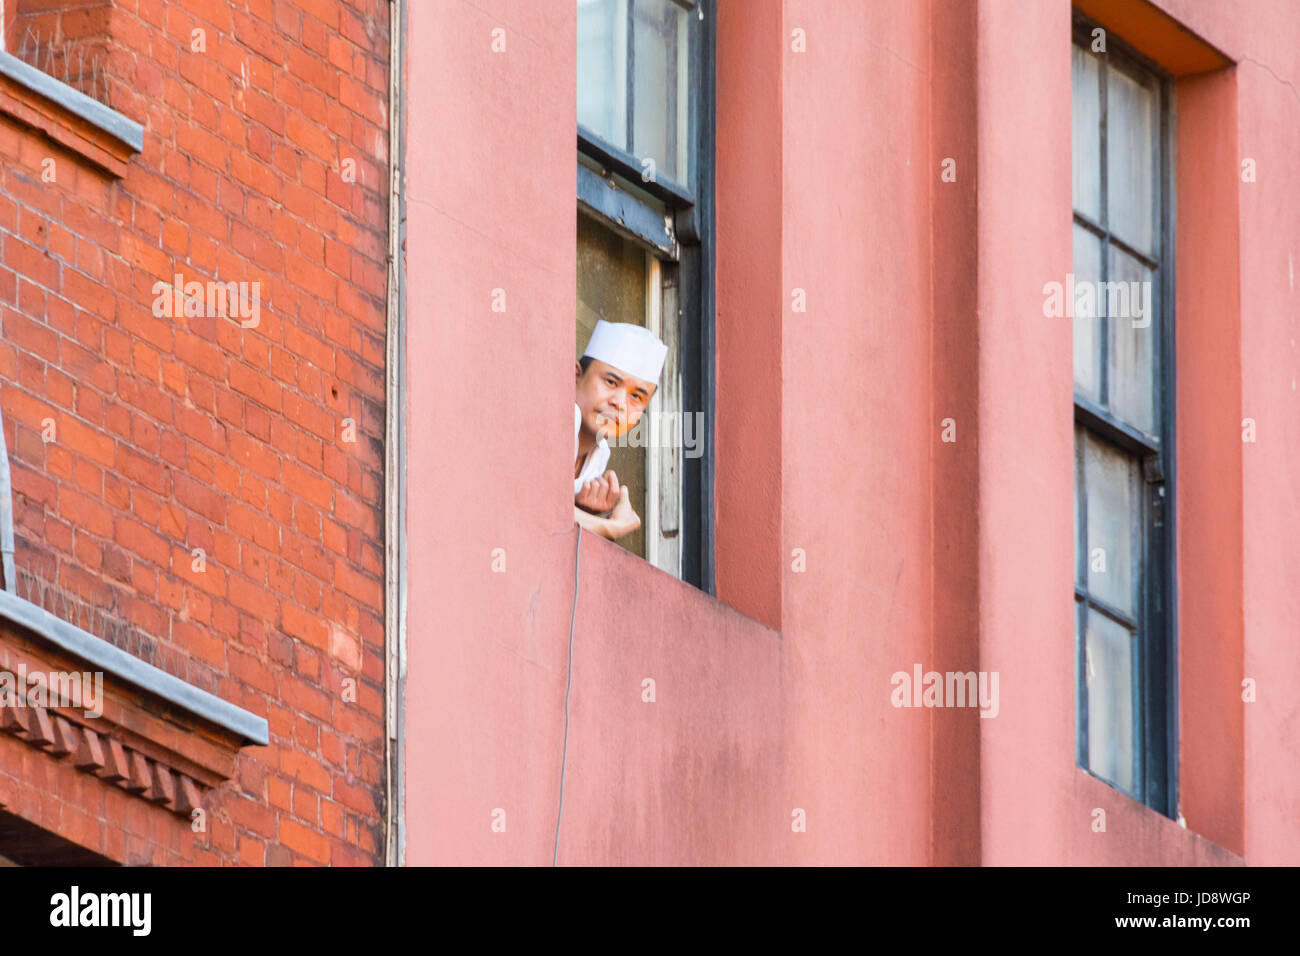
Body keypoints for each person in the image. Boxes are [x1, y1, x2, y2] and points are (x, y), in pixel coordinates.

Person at [573, 320, 667, 541]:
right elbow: (539, 505)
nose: (620, 403)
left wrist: (584, 510)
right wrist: (610, 527)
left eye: (636, 397)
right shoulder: (560, 420)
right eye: (611, 382)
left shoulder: (599, 456)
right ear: (575, 374)